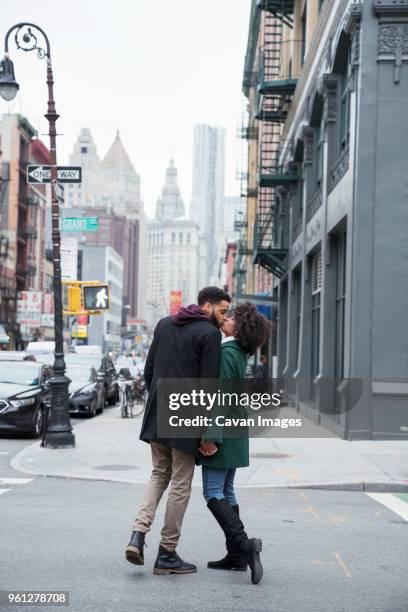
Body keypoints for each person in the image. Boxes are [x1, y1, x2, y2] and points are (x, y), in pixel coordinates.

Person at [125, 286, 231, 575]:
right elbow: (209, 386)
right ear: (207, 307)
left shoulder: (164, 324)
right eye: (222, 311)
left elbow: (148, 372)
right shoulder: (210, 335)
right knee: (181, 484)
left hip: (158, 413)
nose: (225, 319)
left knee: (159, 475)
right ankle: (167, 553)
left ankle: (137, 534)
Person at [199, 302, 270, 585]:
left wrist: (211, 435)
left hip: (224, 431)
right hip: (237, 429)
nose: (226, 319)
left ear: (239, 328)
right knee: (226, 489)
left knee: (213, 491)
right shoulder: (240, 353)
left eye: (232, 318)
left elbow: (223, 396)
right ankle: (236, 557)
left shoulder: (228, 351)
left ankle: (244, 545)